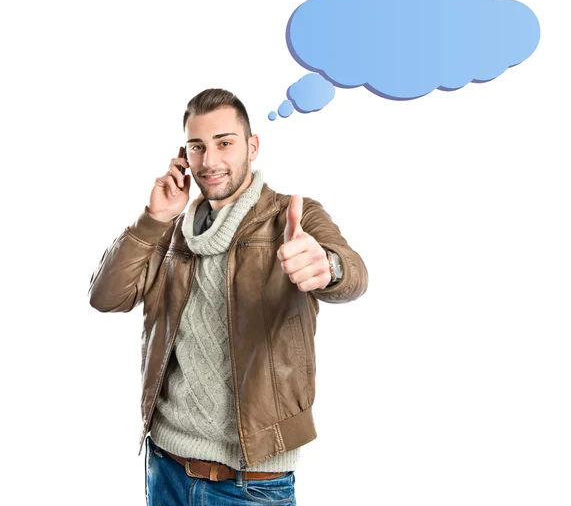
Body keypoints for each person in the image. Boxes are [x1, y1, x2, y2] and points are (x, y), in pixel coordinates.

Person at [88, 88, 368, 505]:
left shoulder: (293, 214)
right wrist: (154, 219)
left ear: (252, 146)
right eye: (197, 147)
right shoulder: (169, 229)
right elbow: (107, 296)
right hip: (165, 465)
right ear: (184, 155)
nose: (210, 160)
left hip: (251, 481)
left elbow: (353, 272)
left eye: (225, 143)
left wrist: (327, 267)